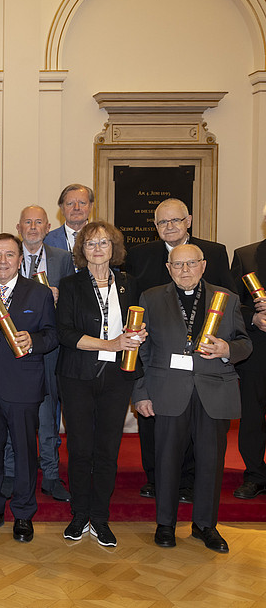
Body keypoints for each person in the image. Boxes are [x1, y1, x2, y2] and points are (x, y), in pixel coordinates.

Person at [134, 243, 251, 553]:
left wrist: (228, 350)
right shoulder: (151, 298)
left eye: (191, 264)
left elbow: (244, 343)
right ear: (169, 268)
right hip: (168, 390)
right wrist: (142, 392)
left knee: (211, 463)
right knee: (167, 460)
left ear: (203, 266)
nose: (184, 270)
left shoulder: (227, 299)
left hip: (214, 391)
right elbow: (142, 350)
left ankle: (205, 525)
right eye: (177, 265)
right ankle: (165, 524)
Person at [125, 198, 234, 500]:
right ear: (156, 226)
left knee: (194, 426)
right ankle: (155, 478)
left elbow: (230, 298)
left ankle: (187, 481)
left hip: (201, 360)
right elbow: (133, 302)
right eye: (162, 222)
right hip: (158, 356)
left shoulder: (212, 252)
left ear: (188, 221)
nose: (169, 227)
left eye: (175, 220)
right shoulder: (140, 255)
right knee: (153, 423)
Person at [56, 221, 146, 546]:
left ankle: (101, 518)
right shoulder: (70, 285)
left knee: (108, 450)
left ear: (114, 248)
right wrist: (109, 344)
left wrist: (139, 336)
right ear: (82, 250)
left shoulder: (129, 284)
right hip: (76, 376)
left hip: (117, 378)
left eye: (104, 243)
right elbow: (64, 333)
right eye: (91, 243)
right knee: (80, 449)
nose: (97, 249)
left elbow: (138, 326)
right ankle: (79, 515)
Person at [0, 233, 57, 543]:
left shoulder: (39, 294)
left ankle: (23, 513)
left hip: (23, 386)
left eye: (9, 255)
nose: (2, 261)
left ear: (20, 260)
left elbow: (53, 335)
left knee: (24, 452)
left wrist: (35, 341)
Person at [2, 205, 75, 503]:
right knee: (12, 413)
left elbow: (72, 302)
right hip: (11, 349)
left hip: (47, 348)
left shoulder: (63, 259)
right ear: (19, 227)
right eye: (27, 222)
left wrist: (59, 296)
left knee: (47, 415)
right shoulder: (6, 257)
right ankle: (9, 473)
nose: (33, 227)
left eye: (39, 223)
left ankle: (51, 475)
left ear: (48, 227)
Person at [230, 204, 266, 500]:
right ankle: (254, 475)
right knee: (252, 418)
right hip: (256, 352)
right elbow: (232, 304)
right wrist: (253, 318)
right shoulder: (246, 255)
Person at [43, 183, 93, 252]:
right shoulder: (46, 240)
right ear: (62, 208)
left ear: (91, 206)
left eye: (82, 203)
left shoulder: (102, 239)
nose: (76, 208)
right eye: (70, 203)